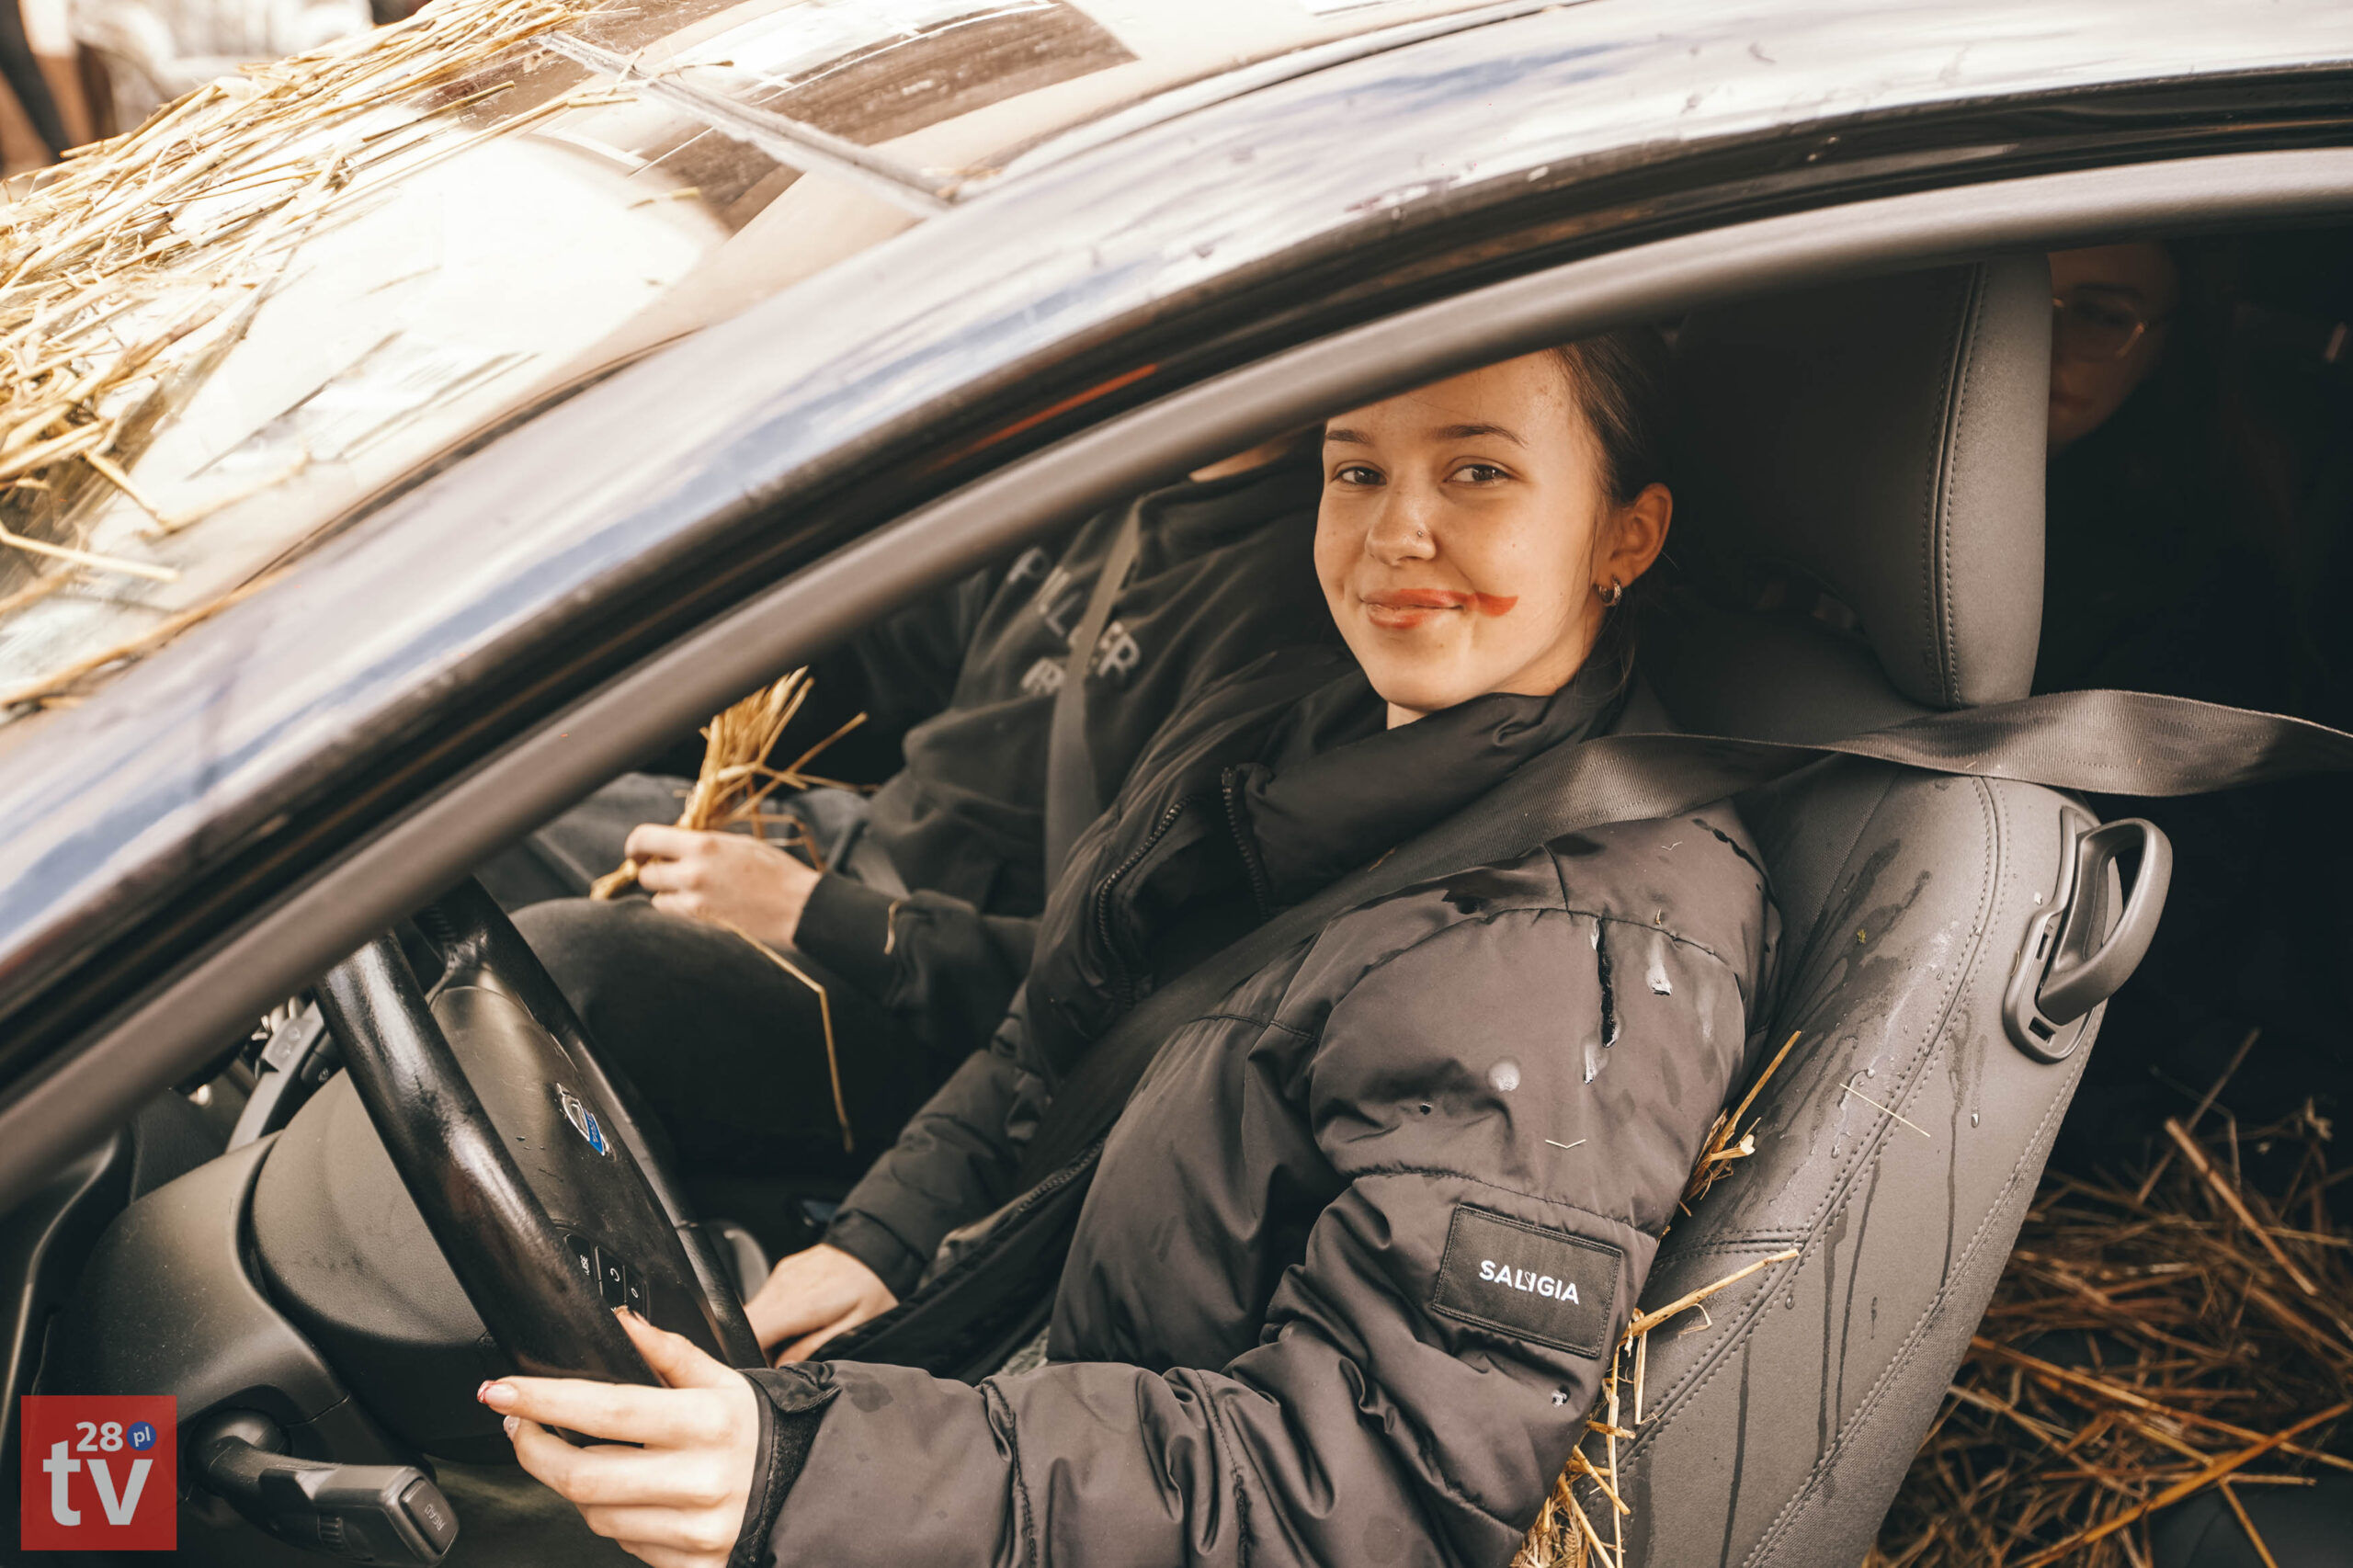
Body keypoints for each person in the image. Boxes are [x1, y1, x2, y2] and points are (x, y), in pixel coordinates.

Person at [476, 332, 1778, 1568]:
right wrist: (885, 1236)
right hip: (1012, 1382)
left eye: (1477, 471)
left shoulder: (1568, 957)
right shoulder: (1281, 729)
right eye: (1357, 470)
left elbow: (1356, 1499)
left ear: (1626, 534)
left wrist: (810, 1471)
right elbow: (1056, 1032)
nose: (1395, 531)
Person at [502, 437, 1337, 1223]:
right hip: (836, 843)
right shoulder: (1115, 469)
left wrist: (812, 911)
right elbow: (879, 661)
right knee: (503, 817)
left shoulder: (1286, 606)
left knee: (568, 963)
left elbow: (1104, 977)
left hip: (922, 994)